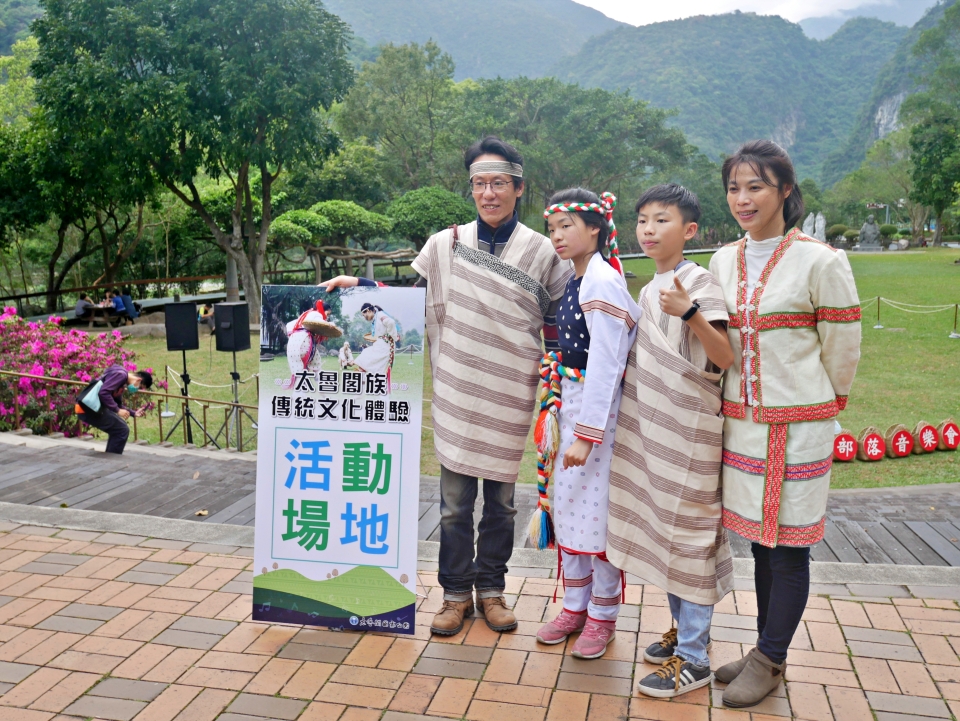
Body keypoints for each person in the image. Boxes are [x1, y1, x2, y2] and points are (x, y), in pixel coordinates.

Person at [319, 136, 571, 636]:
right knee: (454, 505)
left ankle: (492, 591)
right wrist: (360, 289)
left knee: (500, 504)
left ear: (519, 188)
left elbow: (561, 320)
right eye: (480, 183)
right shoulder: (444, 244)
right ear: (472, 188)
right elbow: (410, 308)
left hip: (509, 394)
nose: (489, 193)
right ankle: (454, 596)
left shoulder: (544, 252)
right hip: (456, 390)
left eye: (499, 183)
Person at [708, 141, 861, 708]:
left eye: (756, 187)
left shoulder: (820, 260)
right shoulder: (723, 260)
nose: (743, 199)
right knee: (758, 544)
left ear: (785, 191)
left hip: (798, 427)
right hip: (742, 425)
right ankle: (766, 649)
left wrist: (822, 401)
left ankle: (770, 659)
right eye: (734, 188)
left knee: (789, 546)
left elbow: (841, 345)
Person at [603, 184, 734, 697]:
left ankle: (696, 660)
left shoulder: (700, 282)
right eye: (642, 220)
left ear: (690, 230)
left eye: (662, 219)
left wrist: (688, 311)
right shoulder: (645, 288)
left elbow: (722, 357)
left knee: (691, 537)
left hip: (691, 433)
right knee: (666, 535)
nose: (649, 229)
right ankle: (684, 634)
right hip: (654, 431)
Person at [532, 188, 638, 660]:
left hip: (602, 416)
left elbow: (608, 363)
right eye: (552, 228)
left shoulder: (601, 282)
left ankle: (602, 616)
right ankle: (574, 605)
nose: (557, 236)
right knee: (573, 507)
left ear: (594, 229)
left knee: (598, 516)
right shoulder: (578, 278)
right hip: (573, 403)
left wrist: (589, 434)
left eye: (567, 227)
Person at [76, 366, 153, 454]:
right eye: (140, 387)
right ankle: (112, 460)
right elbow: (103, 392)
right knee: (121, 430)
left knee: (120, 428)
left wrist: (133, 413)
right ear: (138, 380)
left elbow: (118, 405)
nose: (136, 389)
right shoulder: (121, 375)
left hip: (92, 407)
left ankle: (110, 457)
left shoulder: (121, 381)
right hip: (89, 407)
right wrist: (117, 410)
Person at [353, 302, 400, 380]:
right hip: (380, 345)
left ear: (368, 310)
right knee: (366, 357)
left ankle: (363, 378)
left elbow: (391, 322)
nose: (365, 318)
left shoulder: (380, 315)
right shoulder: (375, 319)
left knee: (368, 358)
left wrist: (393, 336)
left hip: (385, 347)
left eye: (364, 315)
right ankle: (363, 377)